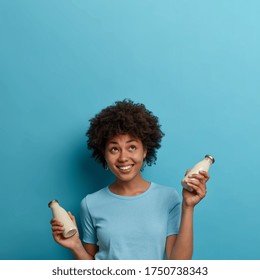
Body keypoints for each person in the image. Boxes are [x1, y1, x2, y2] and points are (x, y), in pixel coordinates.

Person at [50, 99, 210, 260]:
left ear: (145, 150)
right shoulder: (90, 204)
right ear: (104, 154)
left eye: (132, 147)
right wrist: (75, 246)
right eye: (114, 149)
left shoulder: (169, 198)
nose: (123, 157)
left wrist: (188, 207)